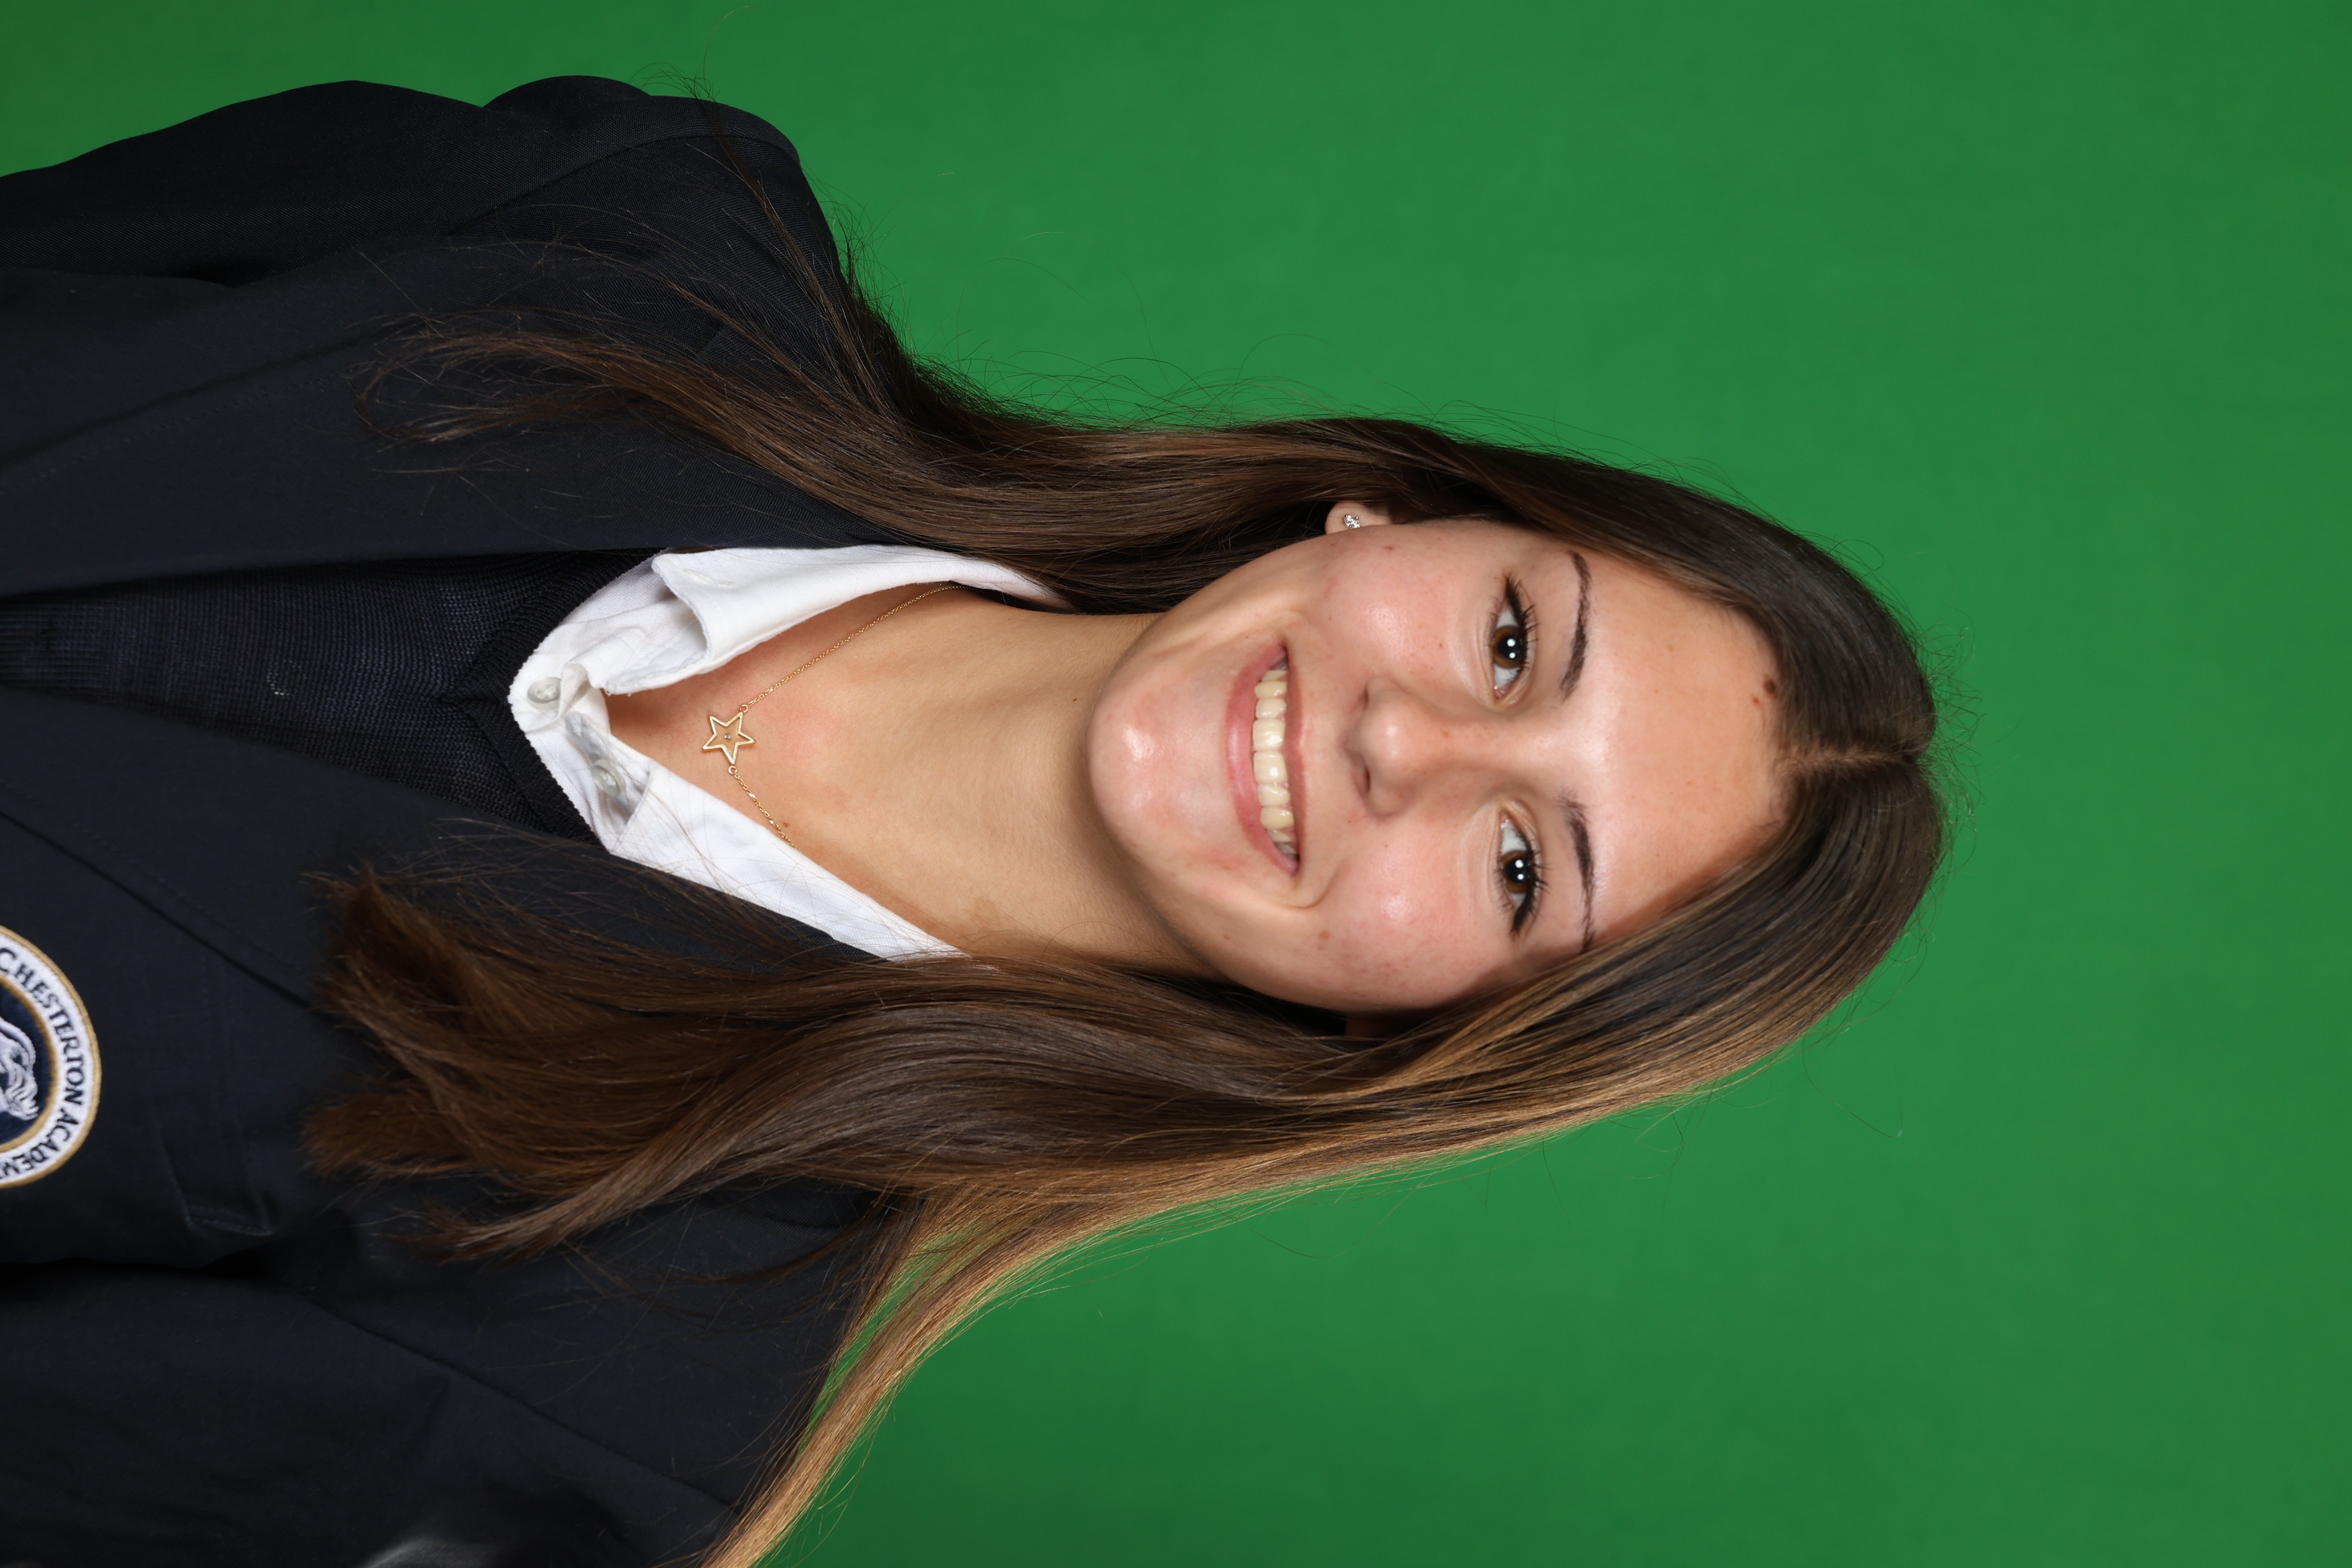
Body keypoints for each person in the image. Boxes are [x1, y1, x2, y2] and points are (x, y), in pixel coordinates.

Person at [0, 76, 1946, 1568]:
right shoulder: (643, 229)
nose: (1406, 743)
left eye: (1521, 864)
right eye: (1512, 640)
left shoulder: (617, 1382)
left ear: (1425, 1028)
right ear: (1392, 513)